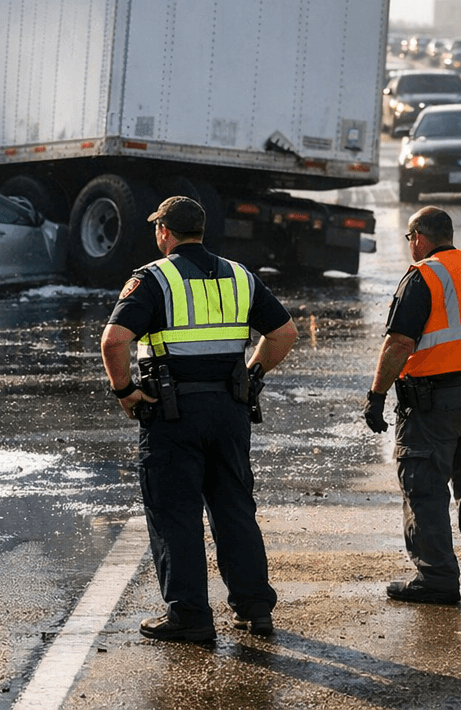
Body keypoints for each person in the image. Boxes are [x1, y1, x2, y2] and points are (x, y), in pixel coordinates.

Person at [100, 195, 298, 643]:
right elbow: (284, 333)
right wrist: (252, 374)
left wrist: (125, 391)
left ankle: (189, 615)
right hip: (229, 411)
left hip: (172, 414)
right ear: (201, 231)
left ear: (164, 232)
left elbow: (114, 341)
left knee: (175, 514)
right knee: (234, 509)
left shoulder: (153, 278)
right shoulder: (239, 276)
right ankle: (254, 609)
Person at [364, 205, 461, 604]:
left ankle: (436, 578)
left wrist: (377, 395)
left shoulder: (423, 275)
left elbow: (400, 343)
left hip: (435, 402)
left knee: (425, 488)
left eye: (410, 238)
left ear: (419, 237)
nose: (410, 245)